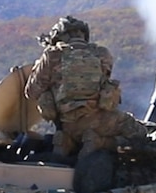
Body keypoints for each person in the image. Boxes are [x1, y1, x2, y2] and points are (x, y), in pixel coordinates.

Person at [23, 16, 142, 158]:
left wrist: (41, 66)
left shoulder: (52, 55)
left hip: (67, 125)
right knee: (140, 134)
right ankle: (100, 142)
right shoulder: (101, 54)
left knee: (47, 95)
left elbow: (31, 92)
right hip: (99, 122)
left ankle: (66, 140)